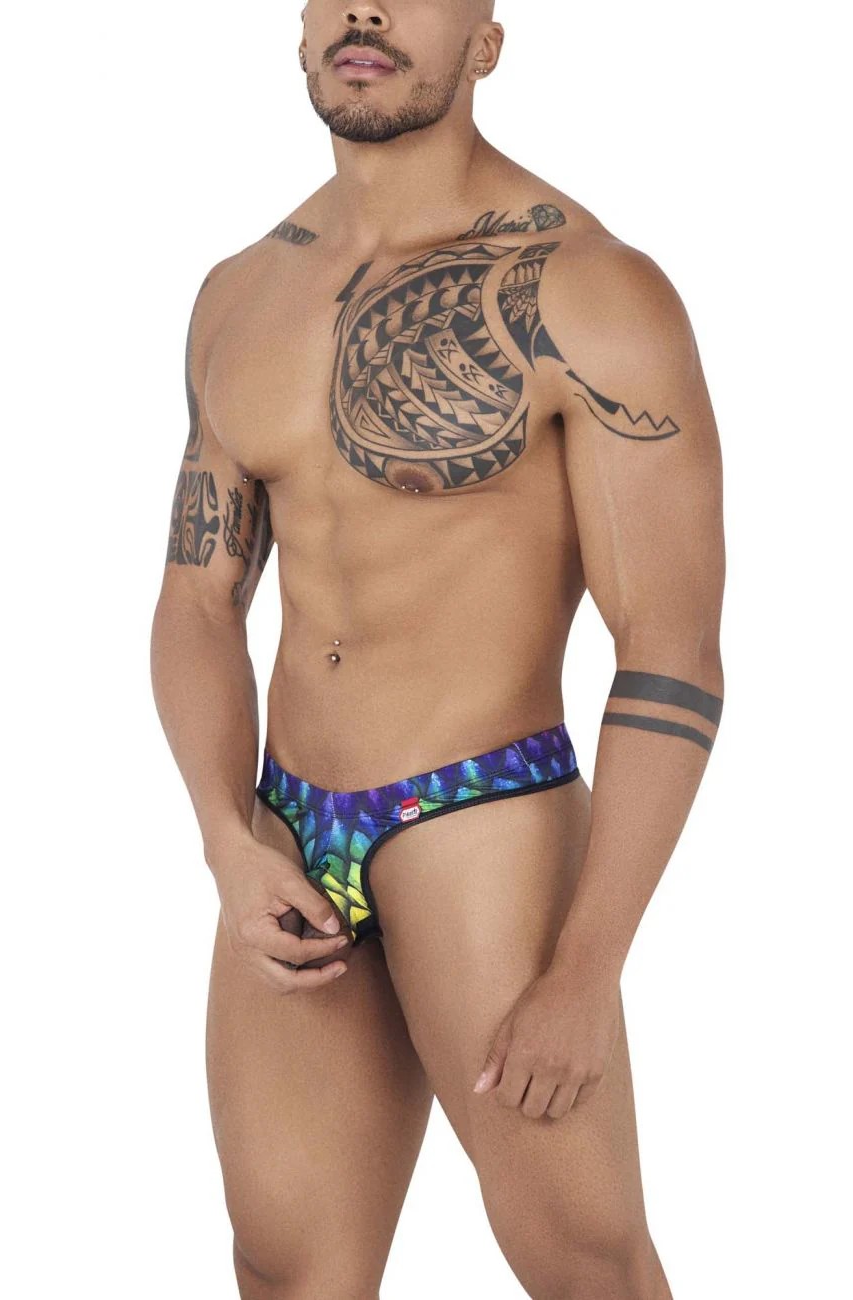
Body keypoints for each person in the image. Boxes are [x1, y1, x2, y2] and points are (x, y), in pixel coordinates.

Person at [150, 2, 725, 1296]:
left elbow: (671, 651)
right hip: (286, 824)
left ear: (486, 43)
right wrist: (225, 839)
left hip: (483, 820)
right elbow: (197, 599)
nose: (366, 9)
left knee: (582, 1263)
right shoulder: (243, 291)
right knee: (286, 1267)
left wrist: (586, 969)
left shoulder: (589, 287)